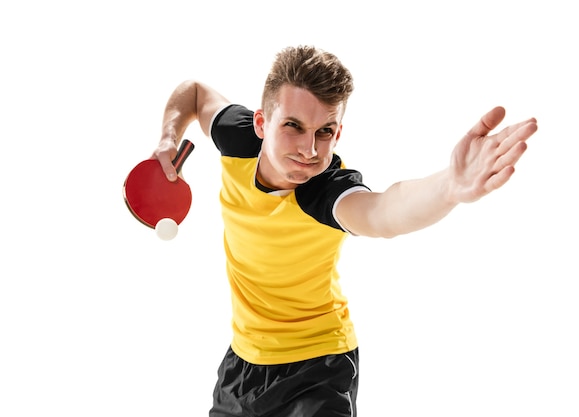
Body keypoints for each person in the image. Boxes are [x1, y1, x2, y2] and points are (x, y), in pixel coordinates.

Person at [151, 45, 538, 417]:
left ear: (338, 135)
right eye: (293, 126)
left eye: (325, 131)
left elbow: (384, 211)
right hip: (243, 363)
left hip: (318, 368)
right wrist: (168, 137)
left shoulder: (325, 191)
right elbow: (196, 92)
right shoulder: (237, 139)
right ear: (260, 123)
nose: (309, 149)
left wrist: (449, 186)